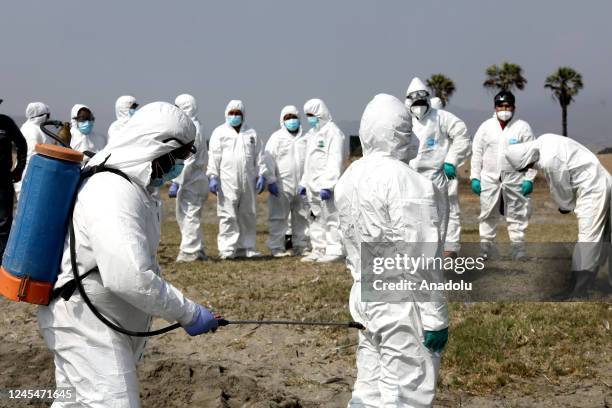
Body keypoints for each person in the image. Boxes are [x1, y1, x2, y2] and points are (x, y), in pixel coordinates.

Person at [37, 102, 219, 407]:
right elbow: (129, 277)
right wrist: (187, 313)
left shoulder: (131, 187)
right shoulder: (112, 191)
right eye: (178, 157)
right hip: (87, 327)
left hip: (90, 322)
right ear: (157, 148)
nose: (179, 166)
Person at [335, 94, 448, 407]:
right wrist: (436, 318)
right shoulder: (407, 181)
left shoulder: (349, 178)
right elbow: (421, 258)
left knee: (369, 388)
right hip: (402, 304)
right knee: (405, 393)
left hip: (364, 294)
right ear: (398, 133)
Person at [506, 134, 612, 297]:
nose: (529, 169)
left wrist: (565, 206)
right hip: (602, 179)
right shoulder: (544, 140)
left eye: (526, 167)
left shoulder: (550, 160)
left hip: (592, 189)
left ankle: (580, 290)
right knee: (604, 237)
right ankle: (590, 283)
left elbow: (561, 190)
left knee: (588, 238)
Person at [405, 77, 470, 248]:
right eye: (414, 97)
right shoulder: (405, 120)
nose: (418, 101)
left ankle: (438, 259)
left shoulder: (441, 117)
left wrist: (451, 160)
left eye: (422, 96)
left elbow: (462, 135)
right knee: (412, 222)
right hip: (410, 178)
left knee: (438, 219)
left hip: (436, 177)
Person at [470, 91, 536, 260]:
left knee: (516, 213)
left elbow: (532, 155)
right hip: (489, 179)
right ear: (495, 107)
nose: (504, 109)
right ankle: (486, 248)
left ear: (513, 107)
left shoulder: (522, 127)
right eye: (501, 106)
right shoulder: (485, 127)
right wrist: (475, 177)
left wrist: (529, 178)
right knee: (487, 213)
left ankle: (518, 249)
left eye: (507, 106)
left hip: (515, 179)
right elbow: (477, 153)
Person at [206, 100, 267, 259]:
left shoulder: (251, 133)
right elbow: (214, 156)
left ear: (243, 115)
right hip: (227, 180)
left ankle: (247, 247)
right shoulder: (219, 132)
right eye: (231, 113)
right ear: (226, 113)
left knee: (248, 214)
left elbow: (259, 156)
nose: (234, 116)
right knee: (228, 215)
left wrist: (261, 174)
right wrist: (213, 176)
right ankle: (227, 249)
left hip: (248, 180)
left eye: (237, 114)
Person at [298, 98, 345, 263]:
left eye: (312, 115)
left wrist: (329, 184)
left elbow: (335, 159)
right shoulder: (312, 134)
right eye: (307, 115)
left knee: (332, 218)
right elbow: (308, 162)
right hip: (312, 186)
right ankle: (319, 248)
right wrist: (304, 183)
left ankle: (335, 249)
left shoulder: (333, 132)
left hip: (326, 187)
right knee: (315, 218)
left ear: (320, 113)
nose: (310, 118)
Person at [264, 105, 309, 257]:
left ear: (299, 118)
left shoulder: (306, 138)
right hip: (282, 185)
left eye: (294, 117)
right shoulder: (276, 138)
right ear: (282, 120)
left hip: (302, 185)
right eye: (288, 118)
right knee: (278, 218)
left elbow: (310, 161)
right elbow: (268, 160)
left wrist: (307, 181)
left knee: (302, 217)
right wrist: (271, 180)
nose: (291, 120)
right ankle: (277, 247)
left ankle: (301, 246)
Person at [173, 94, 209, 262]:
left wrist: (176, 180)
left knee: (189, 215)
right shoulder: (196, 125)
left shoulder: (192, 127)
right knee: (191, 214)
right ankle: (199, 248)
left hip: (191, 179)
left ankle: (189, 251)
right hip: (194, 179)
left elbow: (190, 158)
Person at [0, 102, 27, 259]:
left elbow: (21, 145)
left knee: (3, 226)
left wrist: (19, 169)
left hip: (3, 183)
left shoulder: (6, 123)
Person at [14, 102, 52, 199]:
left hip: (34, 176)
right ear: (42, 116)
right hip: (30, 176)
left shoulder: (33, 128)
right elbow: (32, 155)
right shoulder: (32, 130)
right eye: (47, 115)